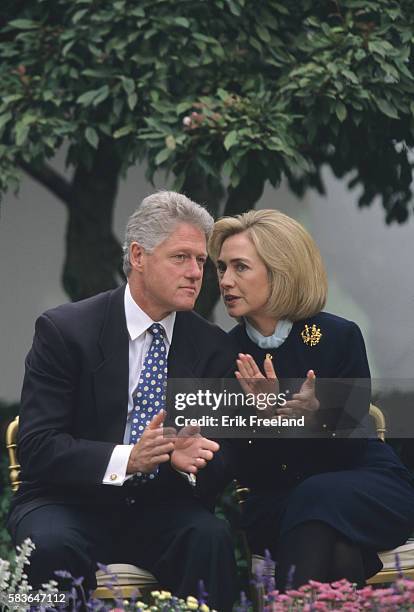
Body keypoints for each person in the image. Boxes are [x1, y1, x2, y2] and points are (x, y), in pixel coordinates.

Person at [7, 191, 238, 611]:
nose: (195, 273)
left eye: (201, 261)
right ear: (138, 256)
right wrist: (128, 459)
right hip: (67, 501)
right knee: (50, 546)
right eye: (181, 258)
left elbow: (221, 464)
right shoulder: (66, 331)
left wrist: (192, 464)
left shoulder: (211, 348)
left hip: (160, 505)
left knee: (210, 537)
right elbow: (38, 447)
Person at [208, 208, 414, 590]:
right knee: (337, 548)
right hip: (277, 501)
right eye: (221, 268)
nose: (225, 281)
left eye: (240, 268)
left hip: (363, 486)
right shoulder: (223, 355)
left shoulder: (338, 336)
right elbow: (244, 470)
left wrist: (316, 418)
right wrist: (268, 417)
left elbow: (352, 450)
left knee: (319, 496)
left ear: (280, 270)